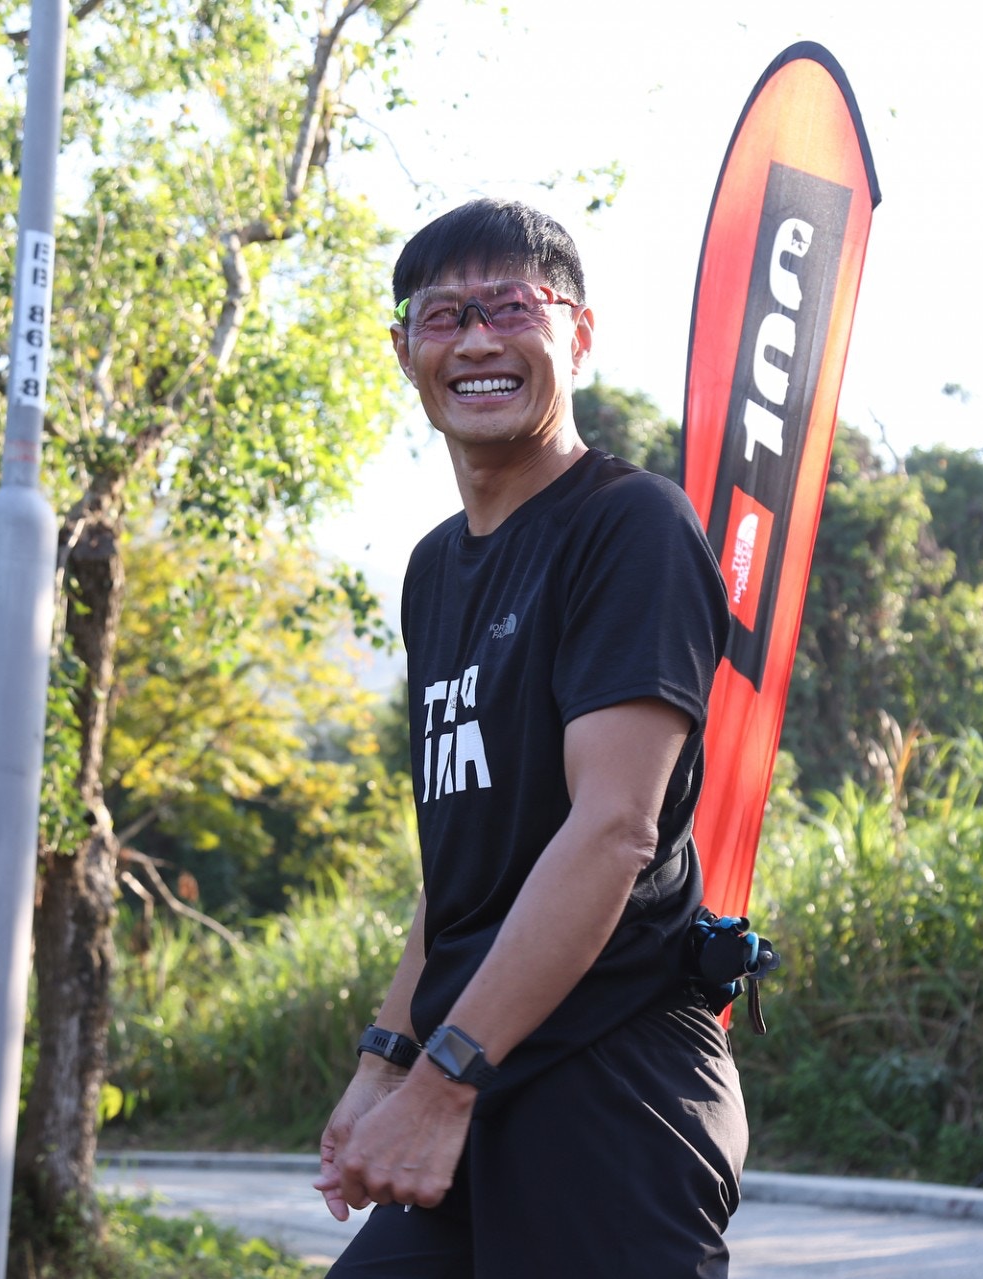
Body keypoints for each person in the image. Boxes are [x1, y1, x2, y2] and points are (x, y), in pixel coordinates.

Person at [310, 198, 745, 1277]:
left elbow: (612, 830)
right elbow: (466, 871)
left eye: (511, 306)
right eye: (444, 315)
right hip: (475, 1068)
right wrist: (386, 1061)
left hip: (612, 1078)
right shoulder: (433, 569)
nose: (476, 340)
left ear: (577, 335)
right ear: (405, 350)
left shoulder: (629, 525)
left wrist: (440, 1083)